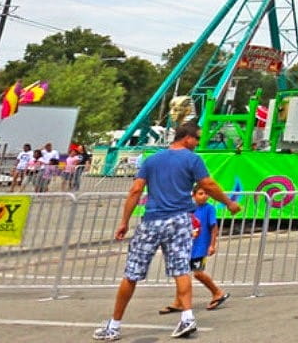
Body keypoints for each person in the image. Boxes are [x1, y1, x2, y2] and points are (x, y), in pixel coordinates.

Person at [93, 120, 241, 342]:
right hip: (180, 220)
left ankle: (114, 325)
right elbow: (208, 184)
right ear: (187, 138)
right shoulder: (192, 159)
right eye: (197, 139)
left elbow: (136, 190)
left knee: (132, 273)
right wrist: (229, 203)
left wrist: (124, 221)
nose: (198, 143)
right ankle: (187, 318)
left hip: (152, 220)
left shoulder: (151, 160)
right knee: (181, 270)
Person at [159, 185, 229, 316]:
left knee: (198, 273)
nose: (205, 196)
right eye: (201, 193)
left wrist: (212, 245)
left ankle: (217, 292)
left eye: (206, 193)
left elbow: (214, 228)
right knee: (181, 274)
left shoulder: (209, 209)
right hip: (187, 246)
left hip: (200, 247)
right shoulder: (188, 209)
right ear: (194, 195)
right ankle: (178, 302)